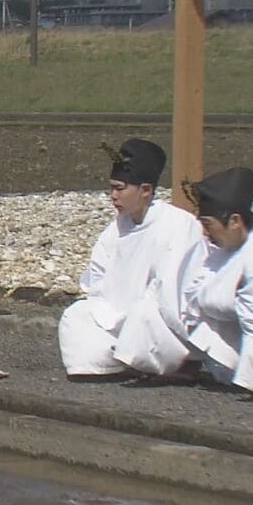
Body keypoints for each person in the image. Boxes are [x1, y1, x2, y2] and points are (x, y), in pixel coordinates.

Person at [57, 139, 206, 379]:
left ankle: (178, 361)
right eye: (112, 189)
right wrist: (109, 311)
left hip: (157, 320)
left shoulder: (177, 225)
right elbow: (96, 278)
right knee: (77, 316)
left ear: (146, 190)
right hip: (119, 316)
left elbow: (171, 291)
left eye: (120, 189)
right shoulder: (116, 228)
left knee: (143, 317)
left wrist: (134, 313)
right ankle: (126, 355)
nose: (113, 196)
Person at [181, 167, 253, 396]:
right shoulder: (224, 248)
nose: (205, 234)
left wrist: (224, 297)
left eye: (208, 225)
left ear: (234, 221)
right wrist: (230, 295)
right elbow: (194, 295)